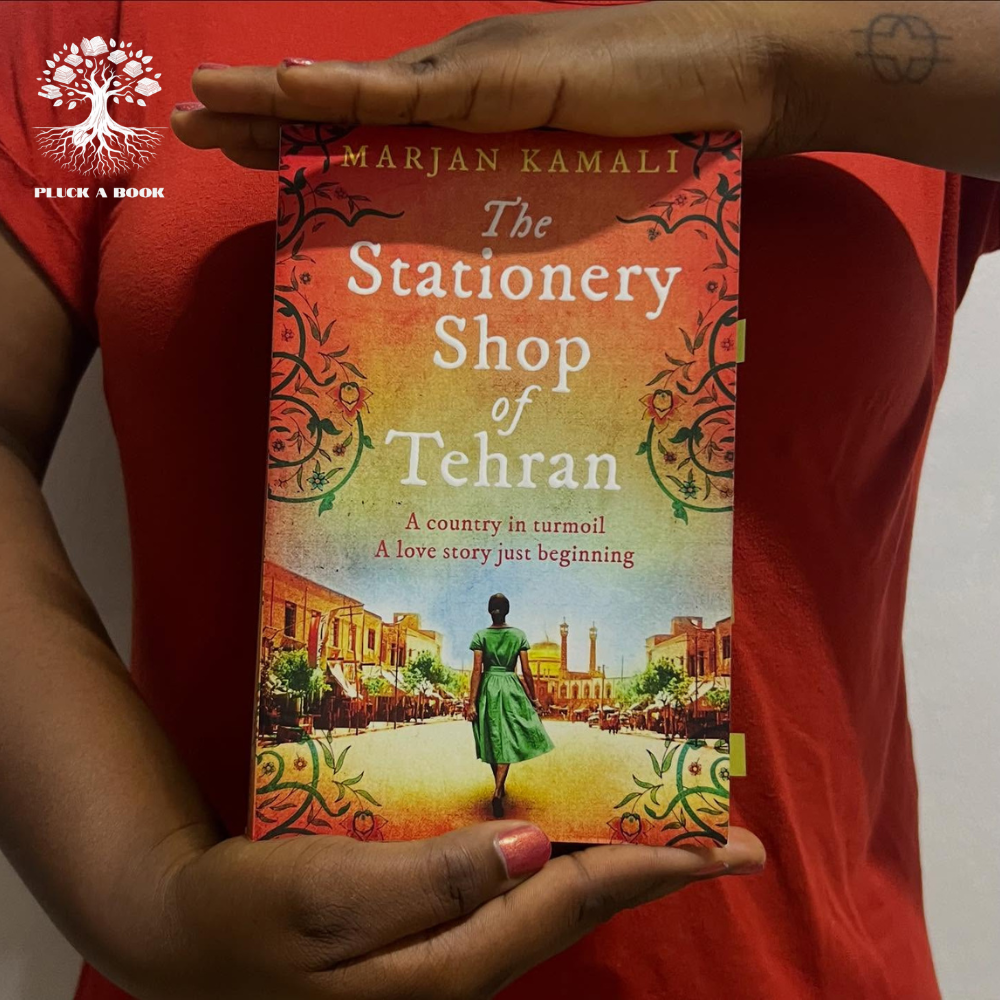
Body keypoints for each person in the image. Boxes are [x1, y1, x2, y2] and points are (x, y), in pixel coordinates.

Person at [0, 2, 997, 999]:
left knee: (503, 734)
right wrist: (148, 896)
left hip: (797, 966)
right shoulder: (99, 18)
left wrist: (773, 66)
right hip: (233, 976)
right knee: (502, 735)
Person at [468, 593, 554, 818]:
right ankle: (498, 790)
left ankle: (498, 786)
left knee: (492, 739)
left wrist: (471, 703)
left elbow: (476, 670)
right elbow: (526, 671)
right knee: (506, 739)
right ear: (507, 611)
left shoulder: (480, 636)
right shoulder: (518, 635)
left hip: (488, 688)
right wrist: (534, 699)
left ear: (489, 611)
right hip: (511, 689)